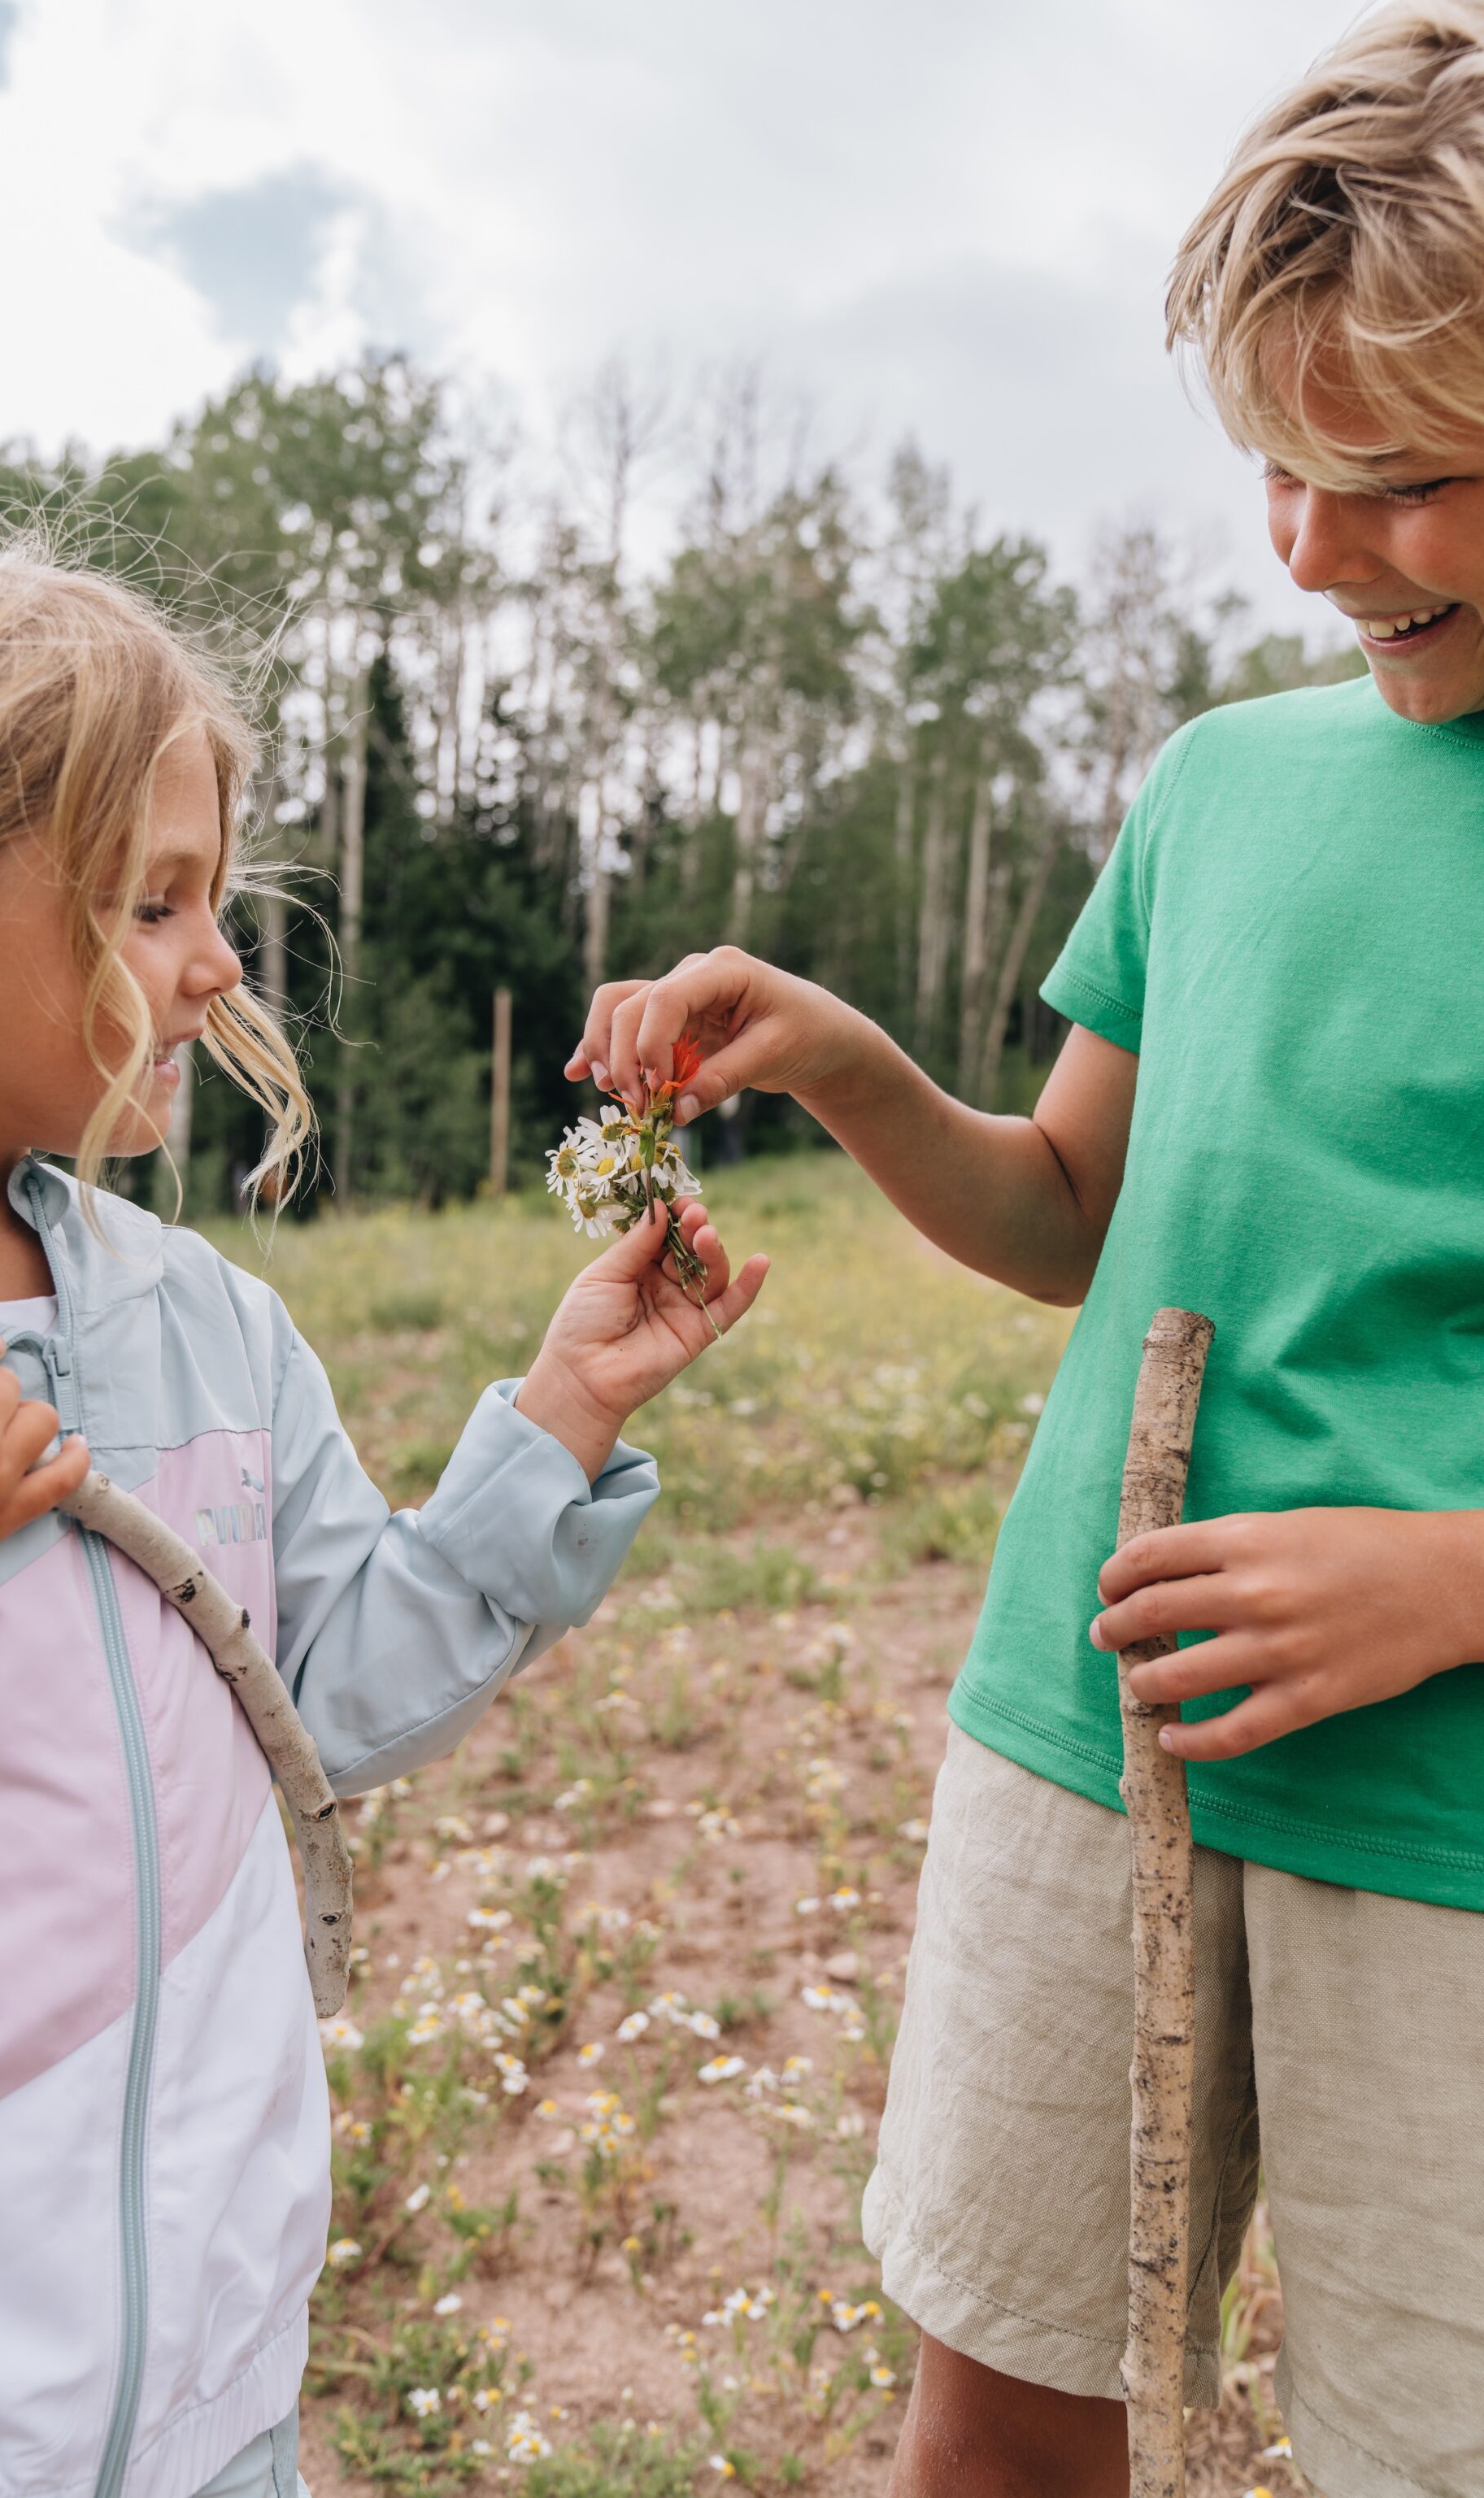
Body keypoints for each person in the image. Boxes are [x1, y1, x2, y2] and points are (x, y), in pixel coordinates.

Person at [572, 10, 1484, 2490]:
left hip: (1458, 1818)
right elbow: (1075, 1220)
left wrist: (1453, 1581)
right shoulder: (1224, 785)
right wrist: (853, 1064)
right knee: (994, 2403)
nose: (1309, 547)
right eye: (1280, 469)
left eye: (1399, 479)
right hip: (1087, 1736)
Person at [0, 518, 768, 2498]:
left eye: (216, 895)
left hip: (216, 2385)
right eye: (151, 903)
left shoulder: (207, 1330)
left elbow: (323, 1695)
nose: (222, 963)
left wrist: (567, 1405)